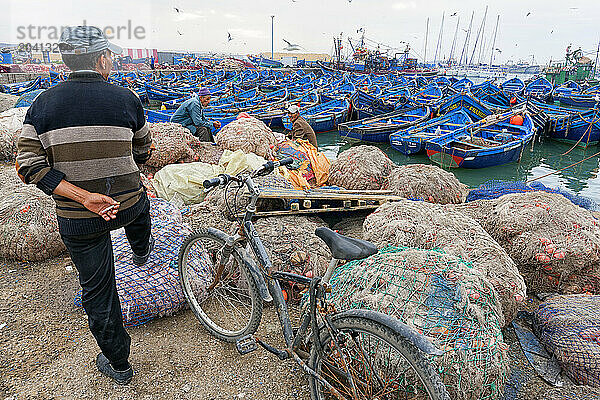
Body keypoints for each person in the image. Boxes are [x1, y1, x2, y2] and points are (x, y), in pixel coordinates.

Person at [15, 26, 153, 385]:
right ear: (102, 58)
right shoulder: (127, 98)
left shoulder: (42, 104)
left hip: (79, 217)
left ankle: (119, 365)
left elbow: (28, 165)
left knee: (98, 288)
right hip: (126, 204)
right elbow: (143, 149)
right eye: (112, 56)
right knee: (142, 209)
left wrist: (84, 197)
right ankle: (141, 251)